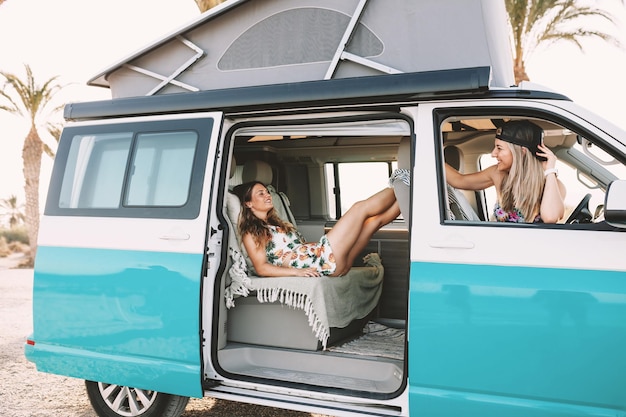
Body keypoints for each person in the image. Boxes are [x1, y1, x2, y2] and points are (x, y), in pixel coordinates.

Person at [233, 171, 408, 278]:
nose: (267, 195)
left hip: (321, 258)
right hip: (319, 260)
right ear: (248, 203)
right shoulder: (252, 231)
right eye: (260, 194)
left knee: (372, 223)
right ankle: (399, 182)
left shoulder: (276, 225)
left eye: (266, 192)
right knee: (359, 209)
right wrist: (297, 272)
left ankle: (407, 189)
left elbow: (293, 249)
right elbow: (261, 268)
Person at [445, 120, 566, 223]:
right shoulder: (498, 174)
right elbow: (459, 180)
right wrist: (429, 151)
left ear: (521, 152)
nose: (493, 154)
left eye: (499, 148)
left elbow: (550, 217)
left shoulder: (552, 185)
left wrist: (550, 170)